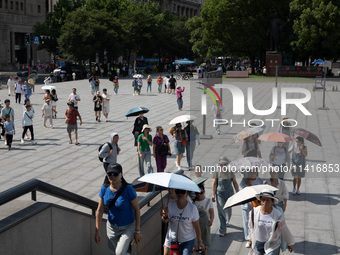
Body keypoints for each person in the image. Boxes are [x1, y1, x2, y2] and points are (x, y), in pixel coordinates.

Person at [94, 163, 142, 254]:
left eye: (115, 174)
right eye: (110, 174)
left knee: (119, 253)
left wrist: (137, 230)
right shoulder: (104, 188)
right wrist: (97, 230)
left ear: (121, 174)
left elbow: (137, 209)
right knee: (114, 253)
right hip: (111, 227)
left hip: (127, 227)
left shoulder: (128, 189)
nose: (112, 176)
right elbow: (100, 210)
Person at [248, 189, 295, 255]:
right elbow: (251, 227)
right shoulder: (253, 213)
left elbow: (284, 229)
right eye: (263, 199)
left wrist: (290, 243)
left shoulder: (277, 215)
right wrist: (250, 239)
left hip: (272, 244)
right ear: (260, 201)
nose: (265, 202)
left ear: (272, 202)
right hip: (258, 244)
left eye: (268, 200)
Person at [161, 189, 205, 255]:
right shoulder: (170, 205)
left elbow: (197, 226)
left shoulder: (193, 208)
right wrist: (165, 216)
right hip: (174, 240)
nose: (180, 194)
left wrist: (199, 241)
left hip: (187, 241)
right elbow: (165, 220)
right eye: (178, 192)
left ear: (186, 193)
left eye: (183, 192)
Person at [212, 156, 239, 237]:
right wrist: (213, 195)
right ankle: (222, 230)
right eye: (221, 164)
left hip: (229, 193)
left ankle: (227, 220)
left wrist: (238, 193)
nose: (223, 166)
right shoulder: (217, 172)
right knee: (221, 210)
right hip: (219, 194)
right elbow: (214, 184)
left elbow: (234, 182)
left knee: (228, 209)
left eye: (225, 164)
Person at [240, 170, 263, 248]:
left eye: (254, 172)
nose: (252, 174)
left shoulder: (260, 180)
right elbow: (241, 190)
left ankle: (257, 237)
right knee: (247, 221)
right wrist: (246, 184)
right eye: (250, 172)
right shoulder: (244, 180)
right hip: (247, 204)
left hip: (257, 205)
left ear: (256, 172)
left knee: (256, 221)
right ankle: (248, 239)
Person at [194, 183, 214, 255]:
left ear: (204, 191)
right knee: (195, 245)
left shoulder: (208, 201)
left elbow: (211, 212)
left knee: (204, 245)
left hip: (205, 226)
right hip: (195, 227)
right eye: (197, 193)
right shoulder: (193, 202)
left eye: (201, 192)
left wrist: (211, 220)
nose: (199, 195)